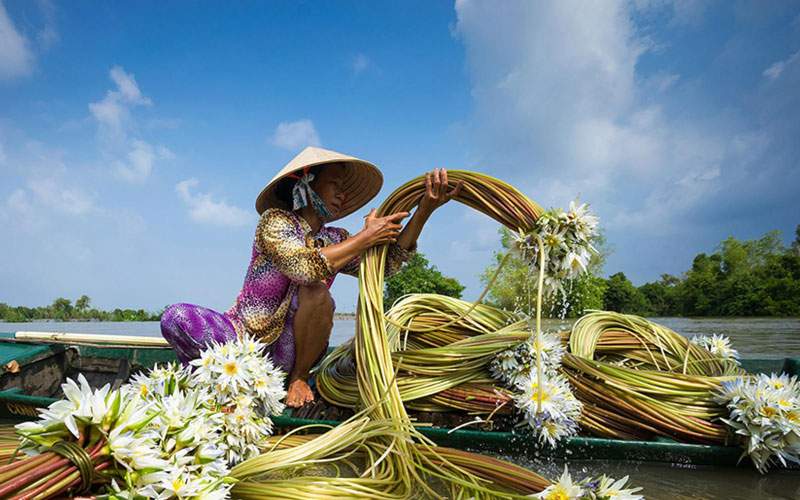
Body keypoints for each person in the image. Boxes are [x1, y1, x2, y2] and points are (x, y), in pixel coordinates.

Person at [161, 146, 461, 407]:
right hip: (242, 340)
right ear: (305, 183)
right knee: (176, 317)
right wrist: (366, 237)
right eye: (334, 184)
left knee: (317, 292)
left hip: (289, 357)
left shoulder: (336, 238)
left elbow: (387, 265)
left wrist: (425, 210)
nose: (342, 194)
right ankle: (220, 385)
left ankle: (299, 382)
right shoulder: (275, 221)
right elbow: (303, 267)